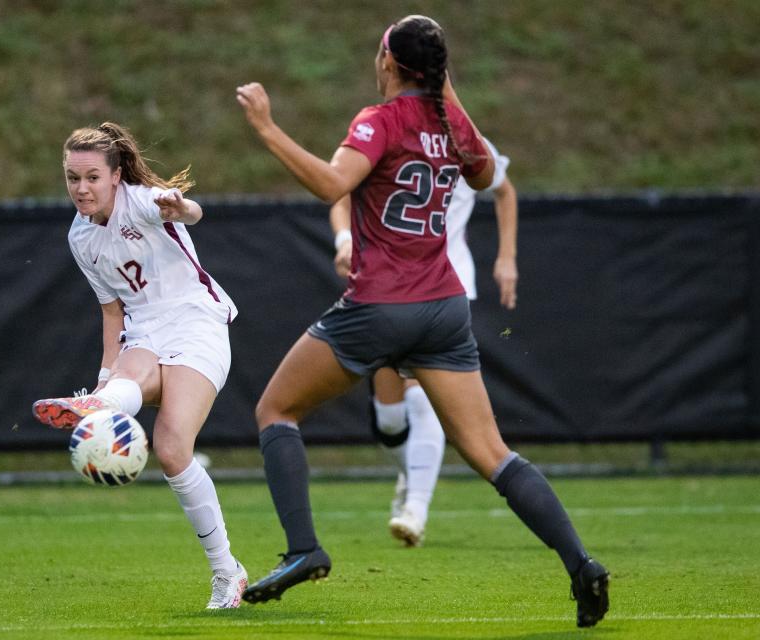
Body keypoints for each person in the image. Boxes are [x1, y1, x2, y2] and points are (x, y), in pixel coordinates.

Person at [235, 15, 608, 627]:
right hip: (444, 308)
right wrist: (447, 97)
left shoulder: (377, 120)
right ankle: (581, 565)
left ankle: (304, 548)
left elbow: (331, 183)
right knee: (492, 453)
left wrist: (268, 128)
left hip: (381, 304)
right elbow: (487, 177)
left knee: (275, 412)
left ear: (388, 62)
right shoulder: (451, 123)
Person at [30, 122, 247, 609]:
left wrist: (180, 207)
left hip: (196, 320)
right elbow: (112, 312)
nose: (81, 188)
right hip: (144, 329)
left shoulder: (143, 200)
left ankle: (224, 572)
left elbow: (192, 211)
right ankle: (100, 401)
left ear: (115, 176)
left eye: (91, 177)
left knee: (171, 449)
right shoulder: (80, 237)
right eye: (71, 178)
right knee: (125, 381)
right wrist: (107, 374)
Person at [328, 137, 518, 547]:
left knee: (420, 397)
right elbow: (339, 188)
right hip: (385, 288)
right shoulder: (389, 133)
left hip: (446, 289)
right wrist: (345, 240)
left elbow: (504, 190)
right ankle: (414, 473)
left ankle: (415, 507)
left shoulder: (466, 139)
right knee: (390, 419)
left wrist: (506, 257)